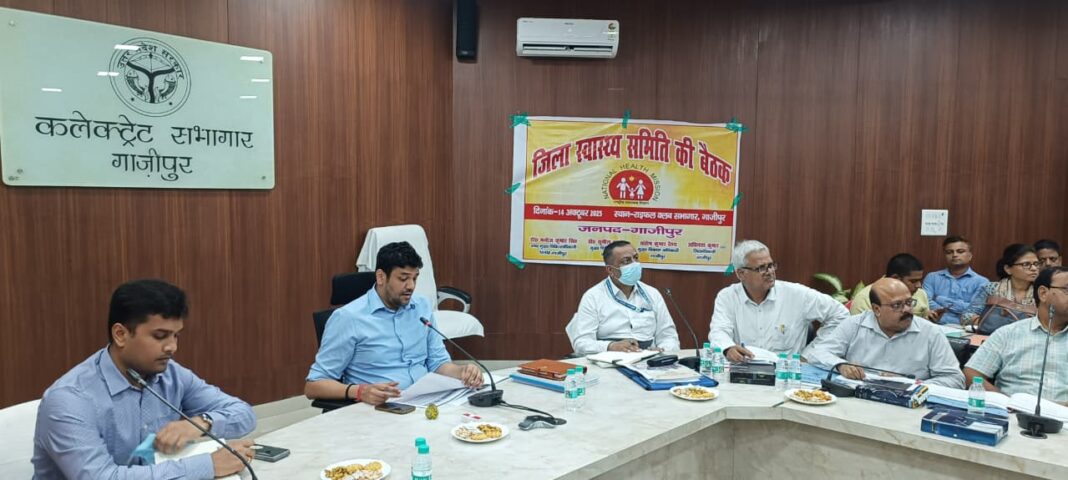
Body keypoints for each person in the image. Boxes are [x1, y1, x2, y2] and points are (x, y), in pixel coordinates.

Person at [32, 279, 257, 479]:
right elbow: (102, 477)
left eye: (176, 335)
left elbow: (244, 413)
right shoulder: (69, 399)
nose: (172, 347)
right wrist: (208, 466)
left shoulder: (170, 374)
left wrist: (201, 423)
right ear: (121, 334)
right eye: (160, 336)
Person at [305, 241, 482, 406]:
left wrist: (462, 372)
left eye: (415, 278)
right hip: (381, 409)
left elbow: (438, 363)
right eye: (403, 278)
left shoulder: (421, 307)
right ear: (381, 277)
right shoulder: (348, 318)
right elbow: (313, 385)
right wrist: (359, 391)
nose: (411, 286)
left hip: (426, 402)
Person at [804, 278, 965, 388]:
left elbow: (955, 379)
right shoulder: (854, 324)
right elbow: (818, 353)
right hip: (859, 398)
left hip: (908, 403)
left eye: (909, 302)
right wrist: (840, 365)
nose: (907, 310)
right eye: (897, 305)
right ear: (876, 309)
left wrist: (913, 385)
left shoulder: (931, 333)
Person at [709, 240, 849, 362]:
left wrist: (811, 354)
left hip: (785, 375)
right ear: (741, 274)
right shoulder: (728, 297)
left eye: (771, 265)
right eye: (761, 268)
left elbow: (841, 315)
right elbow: (719, 331)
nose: (770, 272)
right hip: (743, 371)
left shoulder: (797, 294)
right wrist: (727, 348)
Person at [964, 267, 1068, 402]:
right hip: (1011, 410)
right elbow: (971, 374)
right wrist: (1007, 403)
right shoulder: (1008, 334)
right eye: (1066, 289)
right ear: (1043, 293)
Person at [565, 240, 681, 355]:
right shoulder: (593, 297)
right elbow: (581, 343)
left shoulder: (652, 294)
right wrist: (611, 346)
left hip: (648, 359)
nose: (634, 264)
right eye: (626, 261)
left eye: (636, 258)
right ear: (610, 270)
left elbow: (669, 336)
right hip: (609, 359)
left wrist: (662, 350)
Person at [961, 244, 1040, 327]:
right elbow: (966, 317)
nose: (1034, 268)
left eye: (1036, 264)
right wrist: (992, 323)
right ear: (1008, 269)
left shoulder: (1042, 292)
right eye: (1026, 264)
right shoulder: (991, 289)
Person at [923, 236, 990, 326]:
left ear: (970, 256)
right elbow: (925, 303)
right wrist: (960, 311)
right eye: (949, 252)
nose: (954, 255)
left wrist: (939, 299)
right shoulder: (932, 277)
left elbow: (974, 310)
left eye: (960, 251)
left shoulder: (982, 282)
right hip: (935, 326)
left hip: (965, 329)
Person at [849, 253, 933, 321]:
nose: (919, 285)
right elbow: (859, 331)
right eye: (913, 281)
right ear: (895, 279)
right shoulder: (865, 298)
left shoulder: (920, 293)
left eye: (920, 280)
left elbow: (924, 322)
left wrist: (929, 321)